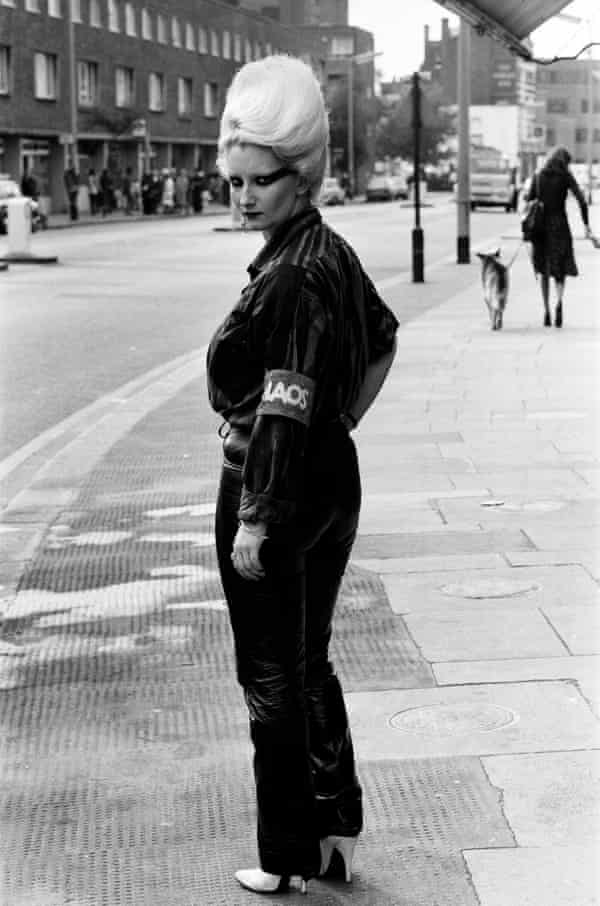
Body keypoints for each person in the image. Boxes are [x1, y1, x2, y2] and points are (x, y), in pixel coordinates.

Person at [206, 55, 398, 896]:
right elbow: (385, 338)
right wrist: (343, 421)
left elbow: (280, 405)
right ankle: (336, 829)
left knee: (271, 677)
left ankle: (286, 855)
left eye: (260, 181)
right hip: (333, 482)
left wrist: (255, 516)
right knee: (309, 658)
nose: (243, 196)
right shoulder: (328, 249)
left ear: (301, 176)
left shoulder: (286, 274)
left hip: (273, 488)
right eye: (234, 180)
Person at [525, 146, 592, 328]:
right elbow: (582, 200)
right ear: (565, 162)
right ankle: (559, 302)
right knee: (560, 268)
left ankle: (546, 310)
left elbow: (528, 198)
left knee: (544, 269)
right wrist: (586, 225)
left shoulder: (538, 176)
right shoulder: (565, 176)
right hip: (560, 225)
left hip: (540, 228)